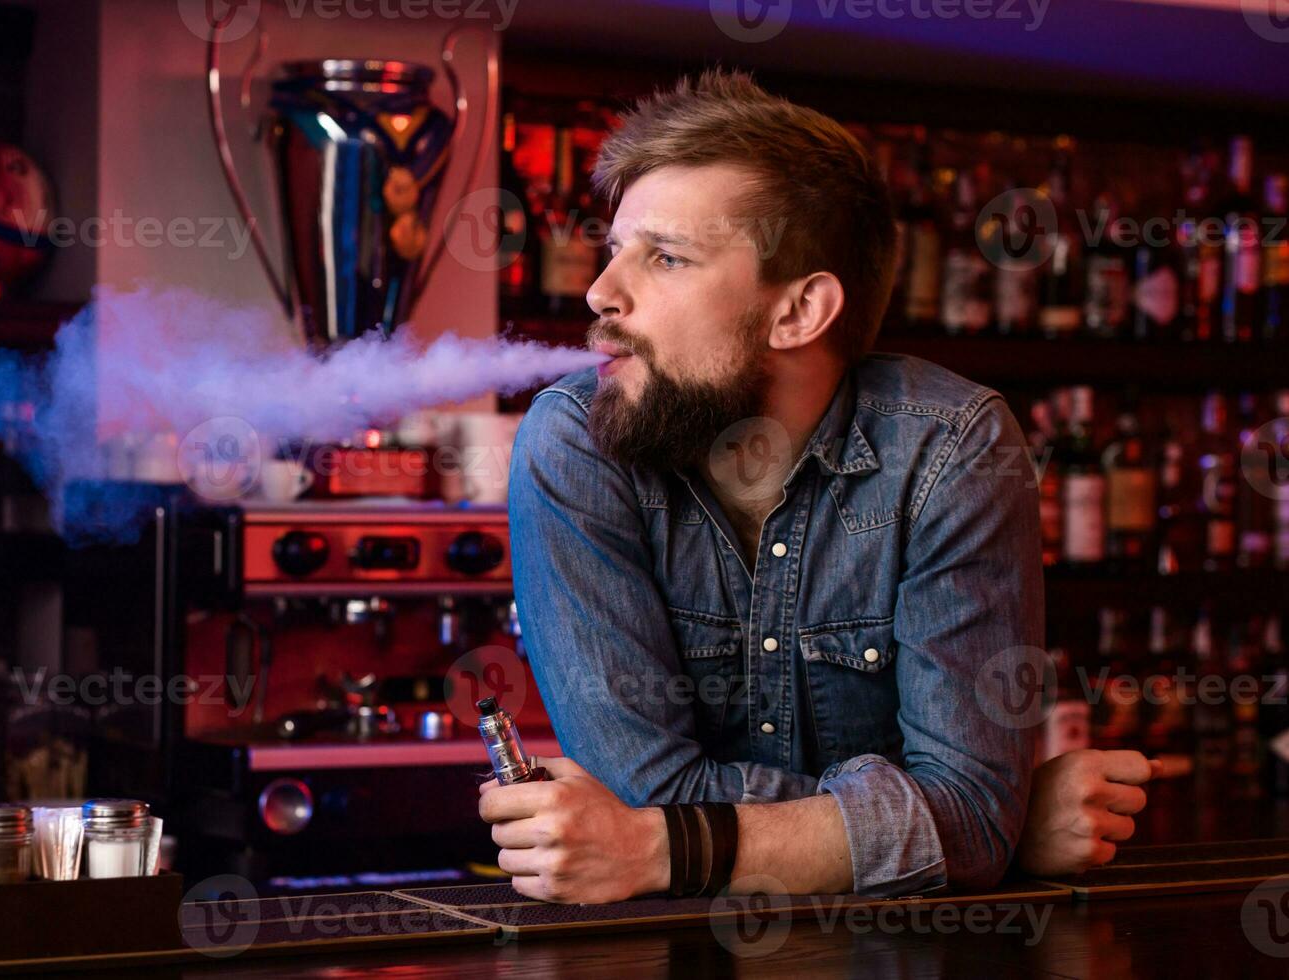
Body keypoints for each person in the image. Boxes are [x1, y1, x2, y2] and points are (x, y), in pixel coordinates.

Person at [479, 68, 1160, 904]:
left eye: (665, 257)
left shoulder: (953, 448)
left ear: (799, 312)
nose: (600, 292)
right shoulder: (576, 441)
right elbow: (643, 799)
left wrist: (662, 848)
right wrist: (981, 832)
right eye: (614, 248)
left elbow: (645, 832)